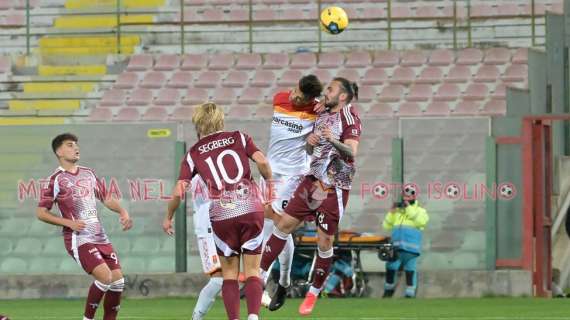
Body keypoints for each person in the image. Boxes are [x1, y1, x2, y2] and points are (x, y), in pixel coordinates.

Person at [259, 77, 362, 316]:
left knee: (324, 242)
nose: (327, 92)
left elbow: (352, 151)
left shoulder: (350, 117)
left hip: (333, 187)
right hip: (311, 180)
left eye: (331, 89)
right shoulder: (322, 114)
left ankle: (313, 293)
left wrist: (333, 139)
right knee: (282, 224)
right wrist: (310, 142)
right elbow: (312, 150)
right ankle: (259, 277)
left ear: (343, 96)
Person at [162, 102, 272, 320]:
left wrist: (168, 217)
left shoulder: (193, 153)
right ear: (221, 120)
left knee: (228, 275)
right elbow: (262, 162)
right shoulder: (239, 137)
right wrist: (269, 185)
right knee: (252, 271)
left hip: (221, 210)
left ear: (198, 124)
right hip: (249, 204)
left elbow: (178, 190)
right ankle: (253, 317)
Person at [37, 133, 133, 320]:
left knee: (118, 282)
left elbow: (105, 197)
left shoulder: (88, 173)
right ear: (59, 151)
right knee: (105, 277)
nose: (76, 148)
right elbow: (41, 212)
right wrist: (69, 223)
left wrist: (123, 212)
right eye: (70, 145)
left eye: (76, 145)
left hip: (99, 236)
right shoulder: (55, 179)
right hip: (78, 238)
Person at [262, 74, 323, 311]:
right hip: (269, 172)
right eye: (296, 94)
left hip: (293, 175)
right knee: (271, 226)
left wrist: (321, 105)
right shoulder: (279, 99)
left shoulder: (316, 109)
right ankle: (284, 282)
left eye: (303, 98)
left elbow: (335, 111)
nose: (296, 99)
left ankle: (266, 279)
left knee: (279, 225)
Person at [382, 187, 429, 298]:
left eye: (408, 196)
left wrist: (408, 208)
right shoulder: (397, 212)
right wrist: (391, 212)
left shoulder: (420, 211)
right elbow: (386, 226)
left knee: (410, 270)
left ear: (414, 196)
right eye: (404, 196)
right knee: (390, 268)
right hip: (396, 248)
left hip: (411, 249)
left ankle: (410, 294)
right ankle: (388, 291)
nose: (406, 198)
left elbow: (421, 222)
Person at [189, 175, 223, 320]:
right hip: (207, 230)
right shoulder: (199, 179)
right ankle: (196, 317)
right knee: (218, 279)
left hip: (223, 228)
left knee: (227, 280)